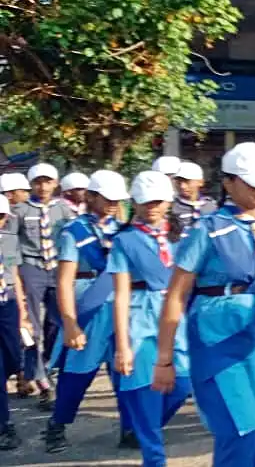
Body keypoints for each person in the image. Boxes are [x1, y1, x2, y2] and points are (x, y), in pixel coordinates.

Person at [152, 142, 255, 466]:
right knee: (240, 429)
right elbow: (176, 294)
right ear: (228, 182)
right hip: (217, 336)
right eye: (252, 182)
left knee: (253, 426)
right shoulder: (208, 230)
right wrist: (165, 359)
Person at [42, 170, 135, 453]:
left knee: (126, 371)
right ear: (91, 196)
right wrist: (70, 323)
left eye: (117, 199)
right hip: (89, 306)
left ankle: (130, 428)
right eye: (107, 198)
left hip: (121, 306)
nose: (113, 204)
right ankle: (57, 425)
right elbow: (64, 280)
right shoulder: (74, 230)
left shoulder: (124, 230)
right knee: (77, 372)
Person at [110, 171, 192, 467]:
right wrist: (123, 346)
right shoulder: (124, 240)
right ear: (134, 202)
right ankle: (153, 457)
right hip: (140, 316)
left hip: (177, 315)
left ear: (169, 201)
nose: (151, 207)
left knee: (183, 384)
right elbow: (120, 294)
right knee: (145, 391)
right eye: (145, 201)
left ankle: (142, 427)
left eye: (158, 201)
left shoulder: (184, 236)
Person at [10, 163, 77, 408]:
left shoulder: (64, 209)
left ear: (56, 183)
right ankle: (42, 382)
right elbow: (10, 245)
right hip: (31, 267)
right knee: (31, 329)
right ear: (31, 185)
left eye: (48, 181)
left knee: (59, 324)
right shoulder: (20, 210)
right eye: (38, 182)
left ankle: (50, 368)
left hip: (58, 268)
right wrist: (14, 273)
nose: (43, 186)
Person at [0, 195, 30, 450]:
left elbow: (15, 275)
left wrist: (23, 311)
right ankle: (4, 424)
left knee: (12, 359)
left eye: (1, 217)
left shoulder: (10, 240)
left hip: (7, 304)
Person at [171, 161, 217, 228]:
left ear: (201, 182)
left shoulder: (211, 206)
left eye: (187, 181)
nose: (182, 186)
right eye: (179, 182)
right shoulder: (172, 207)